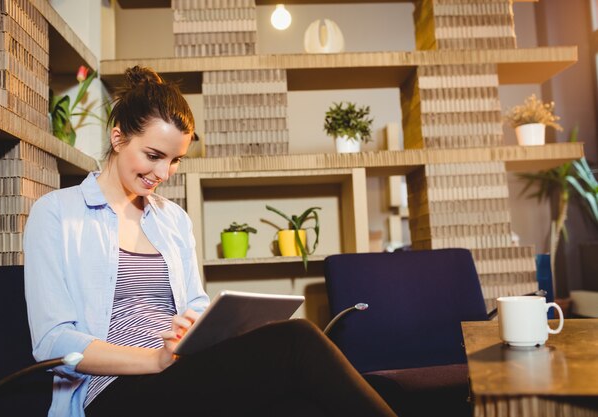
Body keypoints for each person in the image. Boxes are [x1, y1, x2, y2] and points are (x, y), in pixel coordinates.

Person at [24, 66, 397, 417]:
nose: (163, 173)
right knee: (297, 341)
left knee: (299, 399)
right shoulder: (57, 213)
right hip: (111, 390)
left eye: (175, 160)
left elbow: (195, 306)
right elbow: (52, 341)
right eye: (153, 156)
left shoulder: (172, 220)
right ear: (118, 136)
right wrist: (154, 360)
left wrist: (199, 327)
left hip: (181, 371)